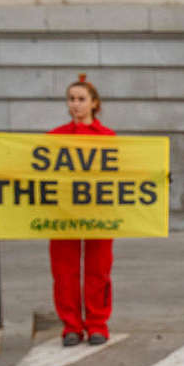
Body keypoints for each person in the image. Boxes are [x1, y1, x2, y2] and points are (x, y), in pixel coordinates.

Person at [50, 75, 116, 346]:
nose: (75, 104)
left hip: (99, 215)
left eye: (81, 99)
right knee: (64, 273)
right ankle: (71, 326)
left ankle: (97, 323)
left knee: (98, 271)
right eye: (71, 99)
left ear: (94, 103)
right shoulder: (54, 138)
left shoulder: (109, 139)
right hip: (62, 215)